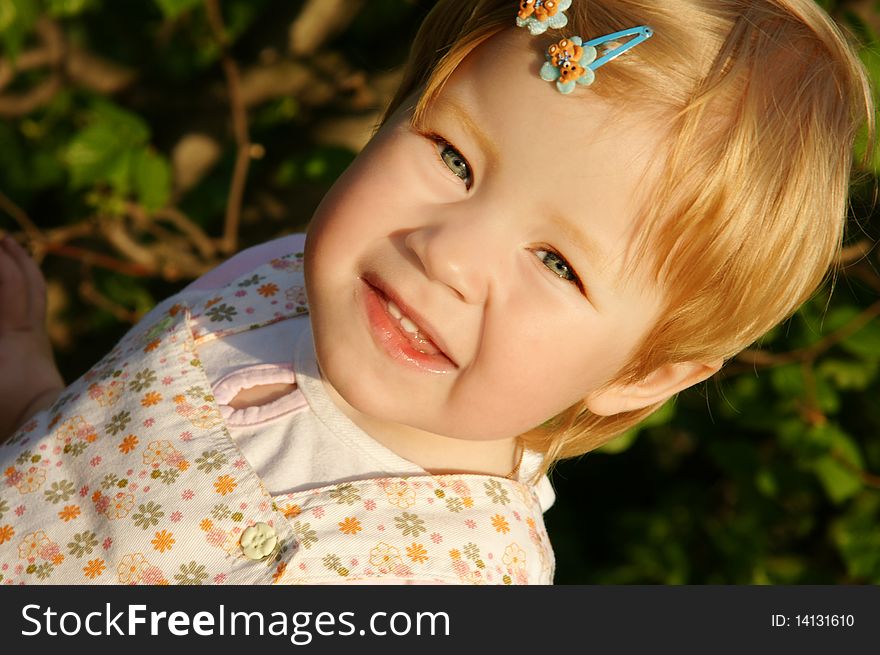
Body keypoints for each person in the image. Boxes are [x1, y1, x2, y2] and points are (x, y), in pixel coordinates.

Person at [0, 0, 873, 584]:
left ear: (642, 374)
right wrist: (32, 389)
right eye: (453, 158)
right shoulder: (272, 284)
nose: (449, 253)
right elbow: (74, 491)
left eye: (558, 262)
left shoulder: (447, 573)